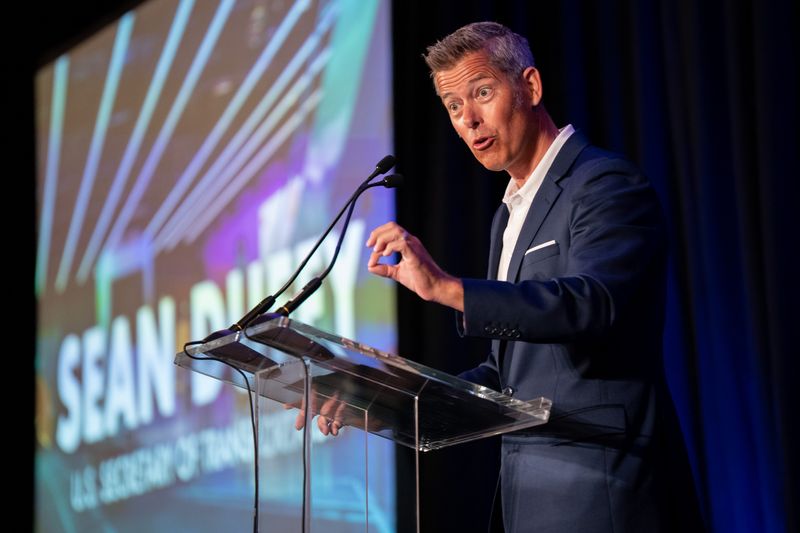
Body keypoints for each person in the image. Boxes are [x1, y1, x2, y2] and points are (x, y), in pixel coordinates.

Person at [365, 22, 704, 533]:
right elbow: (510, 375)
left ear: (531, 87)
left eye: (482, 93)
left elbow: (592, 304)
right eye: (454, 107)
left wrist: (448, 289)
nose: (469, 120)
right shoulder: (508, 216)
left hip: (605, 489)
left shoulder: (604, 183)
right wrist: (389, 399)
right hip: (529, 499)